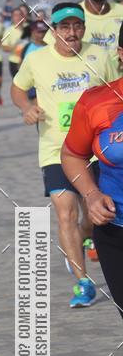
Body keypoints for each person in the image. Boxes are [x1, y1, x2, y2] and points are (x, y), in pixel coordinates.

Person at [11, 2, 119, 307]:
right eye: (65, 27)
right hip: (56, 151)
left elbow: (115, 92)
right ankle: (83, 283)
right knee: (66, 214)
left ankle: (87, 236)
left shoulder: (99, 56)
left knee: (92, 215)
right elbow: (18, 89)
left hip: (97, 151)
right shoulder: (37, 60)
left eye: (77, 26)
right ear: (54, 30)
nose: (72, 33)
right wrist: (26, 107)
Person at [61, 22, 123, 321]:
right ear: (121, 54)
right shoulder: (98, 102)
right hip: (116, 229)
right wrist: (92, 194)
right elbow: (72, 154)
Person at [1, 6, 25, 78]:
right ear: (12, 17)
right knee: (18, 87)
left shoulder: (29, 28)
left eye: (19, 15)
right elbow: (4, 47)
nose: (17, 17)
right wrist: (14, 48)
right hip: (15, 62)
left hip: (29, 62)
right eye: (15, 15)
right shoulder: (8, 31)